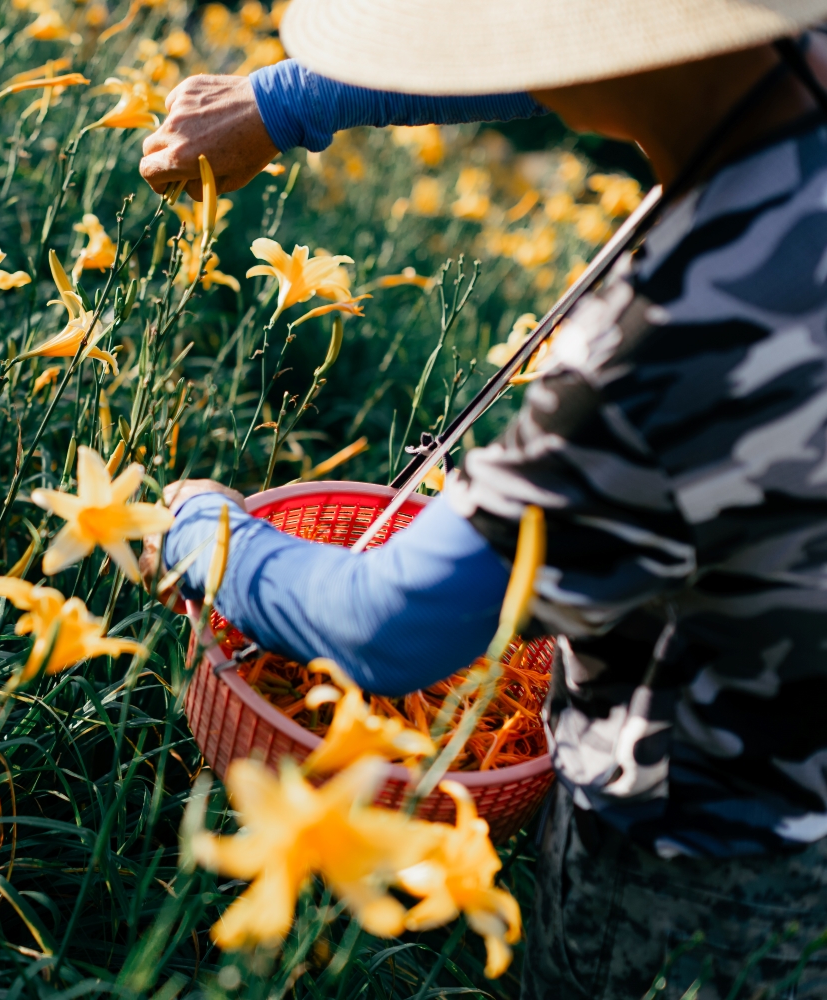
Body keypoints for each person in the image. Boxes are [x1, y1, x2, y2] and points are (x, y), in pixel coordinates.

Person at [137, 3, 827, 997]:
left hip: (699, 867)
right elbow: (582, 57)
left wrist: (206, 531)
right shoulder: (785, 63)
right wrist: (280, 100)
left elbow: (390, 626)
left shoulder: (679, 335)